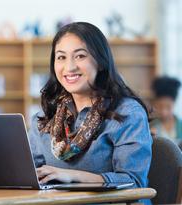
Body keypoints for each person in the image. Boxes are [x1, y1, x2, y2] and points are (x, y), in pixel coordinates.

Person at [28, 22, 152, 196]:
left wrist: (73, 177)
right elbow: (28, 175)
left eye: (80, 56)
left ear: (100, 62)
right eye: (61, 57)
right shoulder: (44, 117)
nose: (69, 67)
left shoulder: (127, 113)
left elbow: (134, 182)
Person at [150, 76, 182, 144]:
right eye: (159, 106)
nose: (164, 112)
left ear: (174, 103)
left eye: (168, 107)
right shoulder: (150, 127)